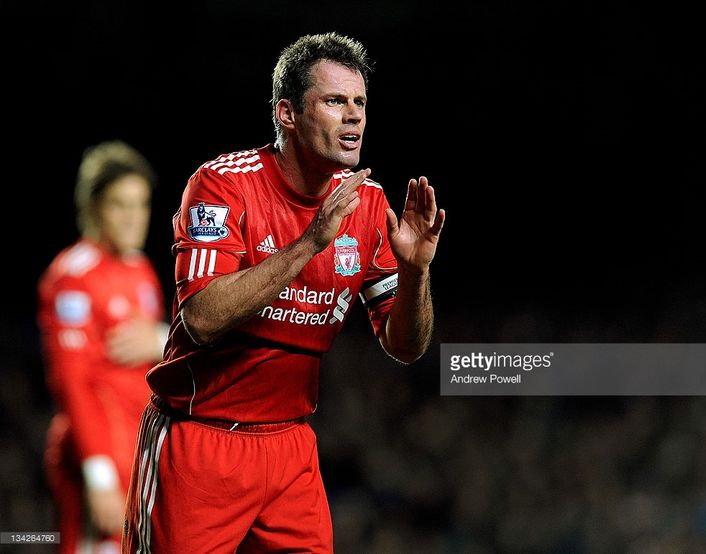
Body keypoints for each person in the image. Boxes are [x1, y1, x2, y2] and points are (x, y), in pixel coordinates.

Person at [123, 32, 445, 553]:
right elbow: (201, 318)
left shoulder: (368, 204)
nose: (354, 115)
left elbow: (405, 346)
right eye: (335, 101)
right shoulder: (223, 185)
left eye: (360, 102)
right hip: (200, 441)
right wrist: (310, 242)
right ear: (287, 113)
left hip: (290, 447)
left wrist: (415, 273)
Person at [37, 140, 168, 553]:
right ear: (93, 207)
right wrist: (99, 476)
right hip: (97, 459)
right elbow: (73, 385)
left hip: (138, 451)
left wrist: (161, 337)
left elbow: (155, 359)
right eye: (120, 205)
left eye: (141, 205)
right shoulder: (71, 278)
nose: (134, 218)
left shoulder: (141, 270)